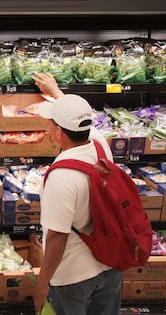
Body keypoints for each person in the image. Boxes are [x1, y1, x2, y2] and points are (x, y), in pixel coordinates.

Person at [31, 72, 123, 315]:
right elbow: (80, 120)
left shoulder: (60, 176)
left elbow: (57, 237)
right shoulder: (100, 144)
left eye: (52, 123)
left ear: (59, 132)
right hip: (111, 265)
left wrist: (42, 283)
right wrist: (56, 93)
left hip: (73, 277)